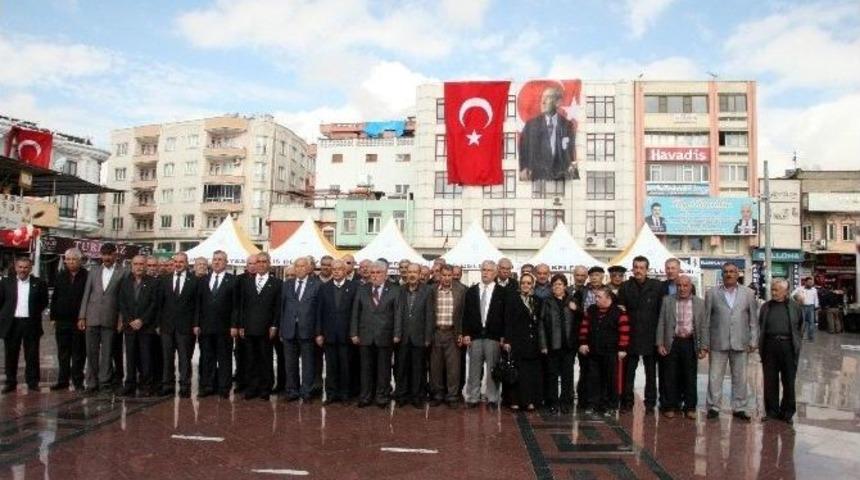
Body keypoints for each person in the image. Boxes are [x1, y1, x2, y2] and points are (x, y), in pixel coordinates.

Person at [703, 262, 759, 421]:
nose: (729, 274)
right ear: (722, 275)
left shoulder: (748, 293)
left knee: (740, 377)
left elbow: (753, 320)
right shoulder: (712, 293)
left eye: (732, 271)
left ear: (738, 274)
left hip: (741, 341)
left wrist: (753, 340)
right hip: (717, 341)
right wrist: (705, 343)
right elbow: (706, 320)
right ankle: (713, 406)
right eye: (726, 272)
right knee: (714, 377)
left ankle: (739, 407)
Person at [617, 256, 663, 413]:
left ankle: (650, 404)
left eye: (642, 268)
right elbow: (621, 310)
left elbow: (661, 312)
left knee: (651, 374)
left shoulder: (657, 286)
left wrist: (660, 338)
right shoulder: (625, 286)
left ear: (647, 269)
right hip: (631, 336)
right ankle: (627, 403)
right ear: (632, 268)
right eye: (636, 267)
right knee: (628, 373)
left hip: (651, 336)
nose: (638, 270)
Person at [351, 261, 400, 408]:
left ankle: (382, 397)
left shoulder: (394, 290)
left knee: (383, 369)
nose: (375, 276)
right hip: (365, 335)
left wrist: (397, 333)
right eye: (372, 273)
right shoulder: (362, 289)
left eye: (378, 273)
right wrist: (354, 333)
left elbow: (398, 313)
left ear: (385, 274)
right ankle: (366, 396)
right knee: (365, 368)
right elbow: (355, 312)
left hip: (385, 335)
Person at [656, 275, 705, 419]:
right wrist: (660, 343)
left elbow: (704, 326)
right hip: (672, 342)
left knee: (690, 376)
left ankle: (690, 407)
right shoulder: (667, 300)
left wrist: (703, 346)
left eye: (685, 285)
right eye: (679, 285)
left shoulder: (699, 303)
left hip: (690, 342)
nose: (682, 288)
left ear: (690, 286)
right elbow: (661, 322)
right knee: (670, 375)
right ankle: (670, 406)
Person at [79, 243, 124, 394]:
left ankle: (105, 382)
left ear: (115, 255)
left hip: (110, 318)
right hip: (92, 317)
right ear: (101, 255)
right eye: (104, 255)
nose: (107, 258)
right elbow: (86, 294)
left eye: (110, 254)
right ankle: (91, 383)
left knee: (107, 353)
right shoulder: (94, 271)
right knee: (91, 352)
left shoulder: (122, 272)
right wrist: (82, 316)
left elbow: (124, 299)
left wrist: (121, 319)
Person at [578, 287, 630, 416]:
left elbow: (624, 331)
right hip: (594, 351)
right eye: (596, 296)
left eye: (599, 297)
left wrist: (622, 349)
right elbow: (584, 327)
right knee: (593, 378)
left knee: (611, 379)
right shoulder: (591, 310)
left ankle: (611, 405)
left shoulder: (619, 312)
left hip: (611, 352)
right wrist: (583, 342)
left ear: (608, 298)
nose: (596, 299)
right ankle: (593, 404)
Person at [462, 260, 507, 409]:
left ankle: (492, 398)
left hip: (493, 337)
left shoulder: (502, 292)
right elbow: (466, 314)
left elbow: (505, 316)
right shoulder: (471, 291)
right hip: (475, 336)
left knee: (492, 370)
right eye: (484, 270)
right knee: (474, 369)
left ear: (495, 273)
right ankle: (472, 398)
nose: (486, 273)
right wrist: (466, 333)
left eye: (489, 270)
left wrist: (503, 336)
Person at [0, 257, 49, 393]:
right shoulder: (6, 282)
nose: (23, 270)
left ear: (30, 268)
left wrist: (33, 313)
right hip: (12, 323)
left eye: (26, 267)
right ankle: (10, 382)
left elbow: (44, 302)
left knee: (32, 355)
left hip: (30, 323)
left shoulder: (39, 283)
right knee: (11, 354)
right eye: (20, 267)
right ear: (16, 268)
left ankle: (32, 382)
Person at [237, 252, 282, 400]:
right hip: (249, 327)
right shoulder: (247, 283)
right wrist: (241, 325)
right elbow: (242, 305)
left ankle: (265, 388)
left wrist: (274, 325)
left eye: (264, 261)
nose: (261, 264)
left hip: (266, 328)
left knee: (265, 359)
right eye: (258, 262)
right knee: (250, 359)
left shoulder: (277, 283)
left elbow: (278, 307)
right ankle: (252, 387)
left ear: (269, 264)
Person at [759, 279, 803, 424]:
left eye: (777, 290)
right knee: (770, 380)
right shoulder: (766, 306)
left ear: (785, 291)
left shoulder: (794, 307)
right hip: (770, 346)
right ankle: (771, 412)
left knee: (789, 380)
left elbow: (800, 326)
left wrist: (796, 343)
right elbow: (761, 324)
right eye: (772, 289)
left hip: (788, 346)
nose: (773, 292)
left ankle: (787, 413)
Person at [195, 250, 238, 398]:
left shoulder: (232, 280)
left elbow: (236, 306)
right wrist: (196, 324)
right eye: (214, 259)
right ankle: (207, 385)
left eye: (220, 259)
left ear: (226, 262)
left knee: (224, 358)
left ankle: (224, 387)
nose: (217, 262)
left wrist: (234, 325)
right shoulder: (203, 280)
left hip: (225, 328)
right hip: (206, 327)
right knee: (207, 357)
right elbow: (198, 304)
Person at [157, 252, 199, 398]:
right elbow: (160, 304)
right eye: (176, 262)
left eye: (181, 262)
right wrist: (158, 324)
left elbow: (197, 305)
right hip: (167, 326)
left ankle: (185, 386)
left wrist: (195, 324)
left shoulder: (194, 280)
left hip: (185, 327)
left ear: (186, 263)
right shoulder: (164, 279)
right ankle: (167, 385)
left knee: (184, 358)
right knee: (167, 358)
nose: (178, 264)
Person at [280, 257, 321, 402]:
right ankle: (292, 390)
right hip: (289, 329)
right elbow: (282, 308)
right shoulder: (287, 284)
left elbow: (319, 311)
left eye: (303, 266)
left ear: (309, 268)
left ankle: (307, 391)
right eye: (297, 266)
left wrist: (318, 332)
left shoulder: (317, 285)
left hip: (308, 330)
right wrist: (281, 329)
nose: (299, 269)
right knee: (290, 363)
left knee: (308, 363)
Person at [318, 259, 359, 405]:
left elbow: (356, 312)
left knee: (346, 367)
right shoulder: (324, 288)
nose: (336, 271)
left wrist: (355, 333)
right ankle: (331, 394)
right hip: (329, 335)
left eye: (339, 269)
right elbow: (319, 312)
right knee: (330, 367)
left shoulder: (354, 287)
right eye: (333, 269)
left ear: (345, 271)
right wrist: (319, 333)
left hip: (346, 335)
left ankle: (345, 395)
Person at [393, 263, 434, 408]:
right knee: (401, 368)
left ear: (419, 274)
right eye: (409, 272)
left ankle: (417, 397)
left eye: (415, 272)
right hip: (402, 336)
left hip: (419, 336)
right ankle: (402, 396)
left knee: (418, 369)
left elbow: (429, 315)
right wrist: (396, 333)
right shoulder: (399, 290)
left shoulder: (427, 291)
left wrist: (428, 337)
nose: (412, 275)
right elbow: (397, 313)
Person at [117, 255, 158, 397]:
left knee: (146, 357)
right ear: (131, 266)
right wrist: (130, 320)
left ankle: (146, 385)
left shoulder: (153, 282)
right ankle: (129, 384)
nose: (139, 267)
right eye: (136, 264)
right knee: (130, 356)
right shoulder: (125, 282)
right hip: (129, 327)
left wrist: (142, 320)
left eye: (141, 264)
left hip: (146, 327)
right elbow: (122, 302)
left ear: (146, 265)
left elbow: (154, 304)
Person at [518, 85, 577, 181]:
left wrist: (571, 168)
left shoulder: (567, 125)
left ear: (558, 102)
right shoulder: (531, 125)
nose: (543, 101)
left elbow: (570, 151)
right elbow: (523, 148)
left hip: (560, 178)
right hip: (538, 178)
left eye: (548, 97)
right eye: (542, 97)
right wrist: (523, 168)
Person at [49, 248, 89, 391]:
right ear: (65, 261)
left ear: (80, 261)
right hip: (62, 321)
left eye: (74, 259)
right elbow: (55, 297)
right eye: (68, 259)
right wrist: (53, 317)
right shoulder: (61, 275)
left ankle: (78, 381)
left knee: (79, 353)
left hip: (79, 321)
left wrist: (84, 317)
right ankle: (63, 380)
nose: (71, 262)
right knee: (63, 353)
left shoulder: (87, 276)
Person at [503, 272, 543, 411]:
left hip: (533, 342)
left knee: (531, 373)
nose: (526, 285)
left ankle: (529, 401)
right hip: (517, 341)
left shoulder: (537, 300)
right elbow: (508, 321)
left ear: (533, 285)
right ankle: (515, 400)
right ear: (520, 285)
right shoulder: (513, 299)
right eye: (523, 283)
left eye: (529, 283)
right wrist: (507, 340)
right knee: (517, 372)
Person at [429, 264, 466, 408]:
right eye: (444, 275)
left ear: (452, 276)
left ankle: (452, 396)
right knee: (435, 367)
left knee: (453, 368)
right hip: (436, 332)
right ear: (439, 275)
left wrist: (461, 333)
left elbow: (463, 315)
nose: (446, 278)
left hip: (452, 333)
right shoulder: (432, 290)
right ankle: (438, 394)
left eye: (449, 275)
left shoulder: (461, 290)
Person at [540, 274, 578, 414]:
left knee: (568, 375)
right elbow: (541, 324)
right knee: (552, 375)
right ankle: (553, 402)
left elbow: (579, 320)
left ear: (565, 286)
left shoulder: (572, 300)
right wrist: (543, 344)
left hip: (569, 345)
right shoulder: (547, 302)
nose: (557, 287)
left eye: (560, 284)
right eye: (555, 284)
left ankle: (565, 402)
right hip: (552, 344)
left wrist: (576, 309)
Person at [234, 254, 257, 393]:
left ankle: (254, 383)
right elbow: (236, 304)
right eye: (250, 264)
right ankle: (241, 381)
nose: (253, 266)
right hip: (242, 324)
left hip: (257, 324)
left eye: (255, 263)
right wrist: (237, 325)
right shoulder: (239, 280)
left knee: (255, 356)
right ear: (246, 266)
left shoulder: (262, 279)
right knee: (240, 354)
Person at [791, 277, 818, 341]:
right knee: (802, 322)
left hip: (811, 307)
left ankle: (811, 337)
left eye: (811, 282)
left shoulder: (814, 290)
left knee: (811, 323)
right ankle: (800, 336)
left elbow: (816, 298)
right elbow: (792, 295)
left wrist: (816, 306)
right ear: (805, 282)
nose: (811, 284)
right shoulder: (799, 288)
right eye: (809, 282)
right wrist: (797, 301)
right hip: (802, 307)